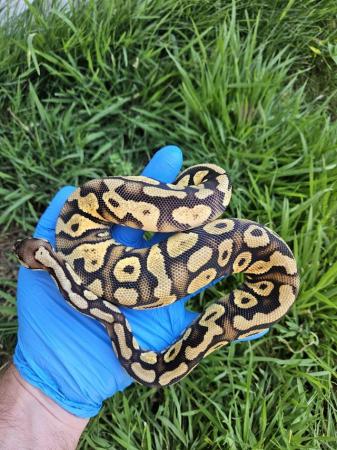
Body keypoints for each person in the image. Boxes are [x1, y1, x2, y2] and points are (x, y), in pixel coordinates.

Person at [0, 146, 267, 449]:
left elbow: (106, 313)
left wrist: (42, 392)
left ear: (39, 263)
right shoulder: (63, 256)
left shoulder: (73, 257)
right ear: (43, 253)